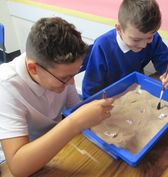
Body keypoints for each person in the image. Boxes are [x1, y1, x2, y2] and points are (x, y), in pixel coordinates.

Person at [0, 17, 113, 177]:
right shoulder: (6, 87)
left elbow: (76, 108)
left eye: (74, 74)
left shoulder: (56, 72)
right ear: (33, 69)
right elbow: (18, 167)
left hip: (56, 141)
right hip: (27, 153)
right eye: (65, 78)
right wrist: (76, 121)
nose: (71, 83)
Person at [82, 0, 168, 99]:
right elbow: (91, 89)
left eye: (150, 37)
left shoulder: (154, 39)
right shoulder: (102, 46)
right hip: (109, 98)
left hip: (137, 91)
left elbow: (166, 61)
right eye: (136, 39)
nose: (143, 45)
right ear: (119, 29)